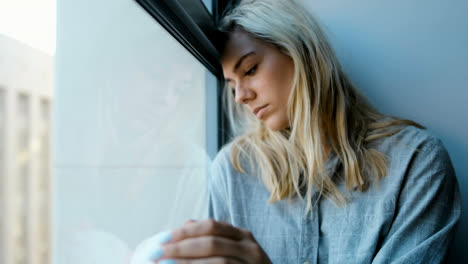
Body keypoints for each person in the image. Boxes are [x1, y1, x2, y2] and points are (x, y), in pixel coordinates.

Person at [151, 0, 461, 263]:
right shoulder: (231, 172)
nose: (240, 96)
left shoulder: (417, 164)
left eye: (250, 70)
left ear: (301, 52)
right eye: (231, 85)